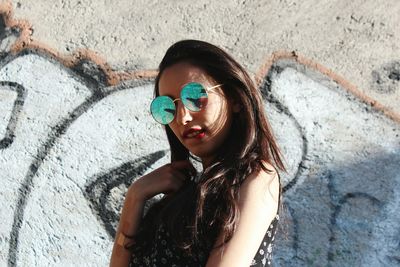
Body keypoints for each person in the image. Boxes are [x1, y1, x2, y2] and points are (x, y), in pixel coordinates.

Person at [110, 39, 286, 267]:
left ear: (233, 98)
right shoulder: (179, 194)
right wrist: (135, 197)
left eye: (194, 98)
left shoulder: (257, 178)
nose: (182, 117)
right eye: (168, 107)